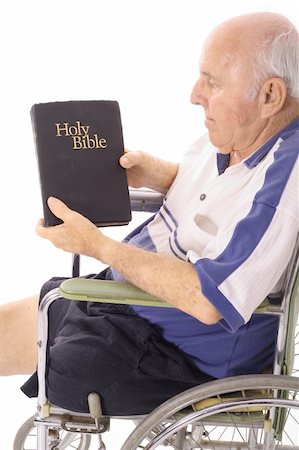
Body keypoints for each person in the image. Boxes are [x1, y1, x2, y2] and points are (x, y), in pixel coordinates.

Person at [0, 11, 298, 415]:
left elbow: (210, 299)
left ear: (270, 96)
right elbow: (224, 203)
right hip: (133, 303)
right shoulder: (241, 133)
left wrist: (99, 247)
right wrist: (160, 175)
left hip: (171, 349)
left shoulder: (286, 181)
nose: (195, 94)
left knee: (57, 356)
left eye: (213, 82)